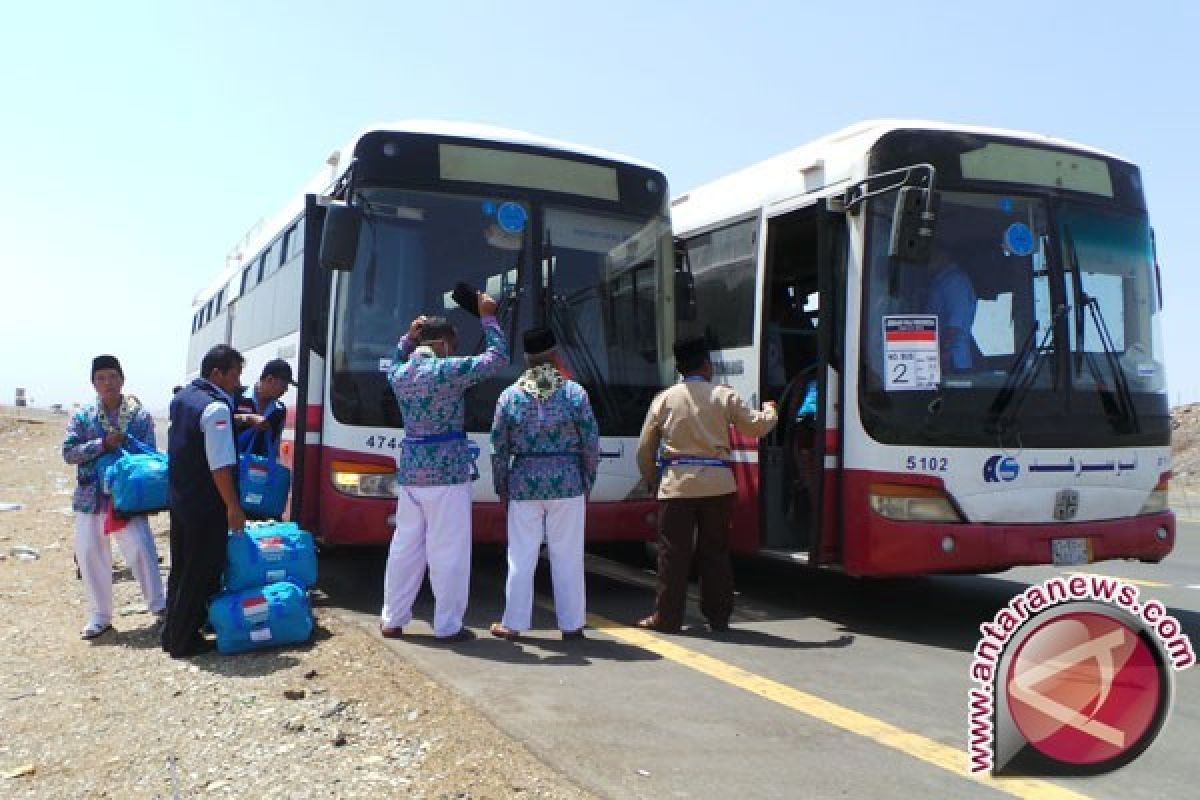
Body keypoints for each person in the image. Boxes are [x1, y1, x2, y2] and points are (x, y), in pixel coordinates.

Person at [380, 292, 508, 641]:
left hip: (411, 472)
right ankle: (448, 625)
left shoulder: (400, 374)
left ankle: (393, 618)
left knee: (405, 546)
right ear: (445, 342)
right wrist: (488, 318)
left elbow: (393, 359)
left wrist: (407, 338)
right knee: (447, 549)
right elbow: (497, 358)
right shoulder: (449, 370)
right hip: (448, 472)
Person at [635, 337, 777, 633]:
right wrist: (770, 410)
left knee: (672, 555)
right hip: (718, 488)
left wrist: (654, 479)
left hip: (677, 487)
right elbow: (756, 427)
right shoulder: (724, 396)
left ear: (679, 368)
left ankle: (667, 618)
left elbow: (644, 450)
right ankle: (719, 617)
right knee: (715, 551)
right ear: (707, 366)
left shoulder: (664, 399)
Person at [488, 327, 600, 641]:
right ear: (555, 355)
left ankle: (513, 624)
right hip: (568, 482)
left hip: (524, 482)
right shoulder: (575, 393)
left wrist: (503, 487)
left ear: (526, 359)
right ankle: (572, 624)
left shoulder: (509, 396)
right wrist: (587, 479)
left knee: (521, 555)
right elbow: (591, 442)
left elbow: (499, 448)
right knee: (568, 554)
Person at [62, 355, 166, 639]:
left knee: (142, 551)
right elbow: (69, 453)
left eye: (112, 377)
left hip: (127, 499)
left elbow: (149, 457)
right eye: (101, 378)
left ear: (122, 380)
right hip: (90, 497)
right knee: (90, 554)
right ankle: (100, 616)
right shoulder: (83, 416)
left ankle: (160, 608)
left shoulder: (139, 416)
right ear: (93, 383)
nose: (107, 383)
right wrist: (102, 444)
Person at [161, 345, 247, 658]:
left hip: (181, 498)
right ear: (217, 374)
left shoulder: (183, 398)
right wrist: (233, 507)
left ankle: (171, 635)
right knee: (201, 570)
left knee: (181, 568)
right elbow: (220, 465)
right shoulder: (217, 409)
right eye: (235, 374)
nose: (238, 382)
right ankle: (185, 641)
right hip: (206, 504)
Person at [926, 250, 978, 372]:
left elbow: (955, 324)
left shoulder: (955, 281)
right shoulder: (942, 281)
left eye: (931, 257)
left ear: (943, 256)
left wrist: (944, 351)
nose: (927, 263)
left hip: (952, 361)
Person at [234, 358, 294, 458]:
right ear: (269, 379)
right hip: (234, 464)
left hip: (260, 468)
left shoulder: (279, 410)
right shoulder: (237, 396)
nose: (286, 390)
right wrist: (248, 419)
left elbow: (275, 443)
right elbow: (223, 420)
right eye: (283, 385)